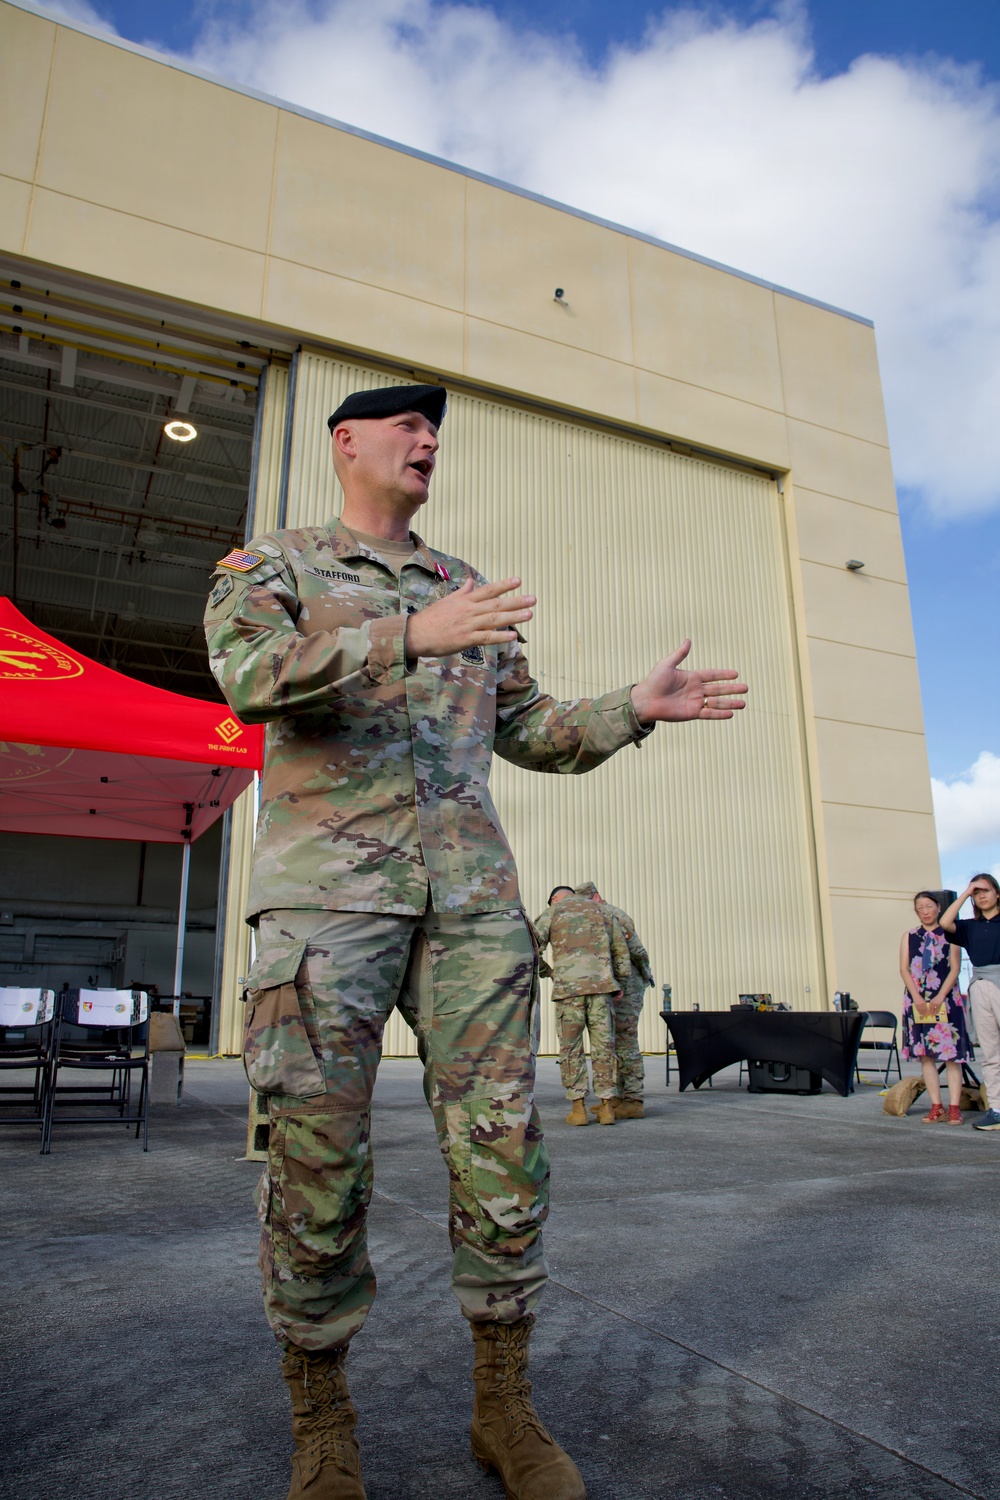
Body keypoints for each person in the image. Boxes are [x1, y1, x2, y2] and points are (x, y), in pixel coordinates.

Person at [204, 382, 748, 1500]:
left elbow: (531, 732)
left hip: (471, 912)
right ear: (345, 442)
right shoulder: (273, 568)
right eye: (406, 427)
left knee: (501, 1156)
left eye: (435, 433)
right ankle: (322, 1422)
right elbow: (246, 678)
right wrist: (403, 636)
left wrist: (632, 707)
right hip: (326, 912)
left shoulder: (466, 589)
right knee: (317, 1160)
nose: (426, 441)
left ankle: (503, 1408)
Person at [532, 886, 630, 1125]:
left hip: (569, 992)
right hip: (601, 990)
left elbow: (531, 947)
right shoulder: (603, 911)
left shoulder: (553, 913)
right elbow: (620, 950)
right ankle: (607, 1108)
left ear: (556, 899)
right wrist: (620, 982)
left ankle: (578, 1109)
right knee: (604, 1047)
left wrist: (550, 972)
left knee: (571, 1049)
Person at [574, 882, 654, 1120]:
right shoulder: (598, 918)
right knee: (613, 1042)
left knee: (626, 1041)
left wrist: (645, 974)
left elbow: (638, 952)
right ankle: (618, 1096)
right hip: (613, 987)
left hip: (628, 987)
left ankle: (634, 1099)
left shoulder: (616, 916)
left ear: (597, 897)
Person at [899, 891, 969, 1124]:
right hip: (918, 1000)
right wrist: (918, 997)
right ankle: (936, 1106)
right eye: (921, 907)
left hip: (946, 999)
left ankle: (955, 1108)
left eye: (929, 906)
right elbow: (904, 969)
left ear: (938, 908)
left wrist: (939, 996)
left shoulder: (951, 933)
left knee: (952, 1056)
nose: (926, 911)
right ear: (916, 911)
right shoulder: (909, 936)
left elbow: (955, 968)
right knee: (926, 1056)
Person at [941, 875, 1000, 1132]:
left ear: (997, 893)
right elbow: (944, 922)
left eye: (985, 890)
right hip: (980, 985)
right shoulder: (970, 926)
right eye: (977, 893)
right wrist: (965, 892)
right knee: (990, 1053)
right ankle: (997, 1109)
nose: (981, 896)